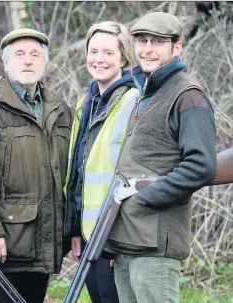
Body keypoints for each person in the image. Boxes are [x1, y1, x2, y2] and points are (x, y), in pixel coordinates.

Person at [105, 12, 217, 303]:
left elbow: (201, 166)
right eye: (141, 41)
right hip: (128, 241)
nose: (147, 49)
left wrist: (145, 197)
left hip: (155, 244)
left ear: (176, 47)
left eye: (157, 42)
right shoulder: (143, 92)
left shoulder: (188, 94)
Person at [0, 28, 72, 303]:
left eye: (35, 55)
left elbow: (70, 176)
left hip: (42, 248)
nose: (28, 61)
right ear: (6, 63)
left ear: (44, 62)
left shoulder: (60, 110)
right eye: (19, 55)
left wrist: (69, 232)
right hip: (4, 247)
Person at [64, 21, 138, 303]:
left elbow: (133, 174)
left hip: (115, 235)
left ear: (124, 57)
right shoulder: (87, 102)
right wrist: (75, 230)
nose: (99, 59)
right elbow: (79, 174)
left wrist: (118, 240)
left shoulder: (133, 100)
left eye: (108, 52)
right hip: (88, 235)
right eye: (93, 51)